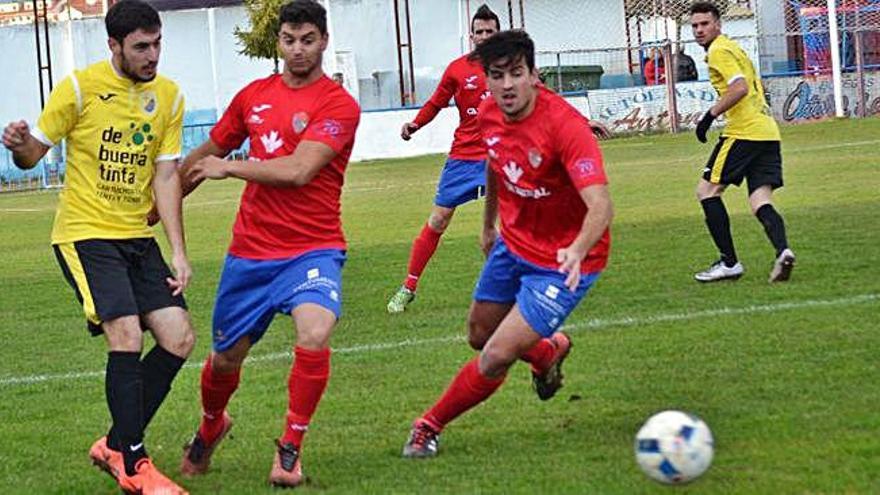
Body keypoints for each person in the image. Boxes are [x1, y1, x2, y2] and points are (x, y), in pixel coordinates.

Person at [1, 1, 193, 493]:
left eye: (157, 44)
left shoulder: (169, 97)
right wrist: (18, 142)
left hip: (137, 237)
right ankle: (133, 462)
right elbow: (32, 157)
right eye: (140, 47)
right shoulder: (79, 88)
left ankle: (115, 441)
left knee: (178, 338)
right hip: (85, 233)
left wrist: (178, 250)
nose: (152, 56)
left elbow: (166, 175)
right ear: (114, 45)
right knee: (126, 334)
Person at [401, 30, 613, 458]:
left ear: (534, 75)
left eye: (517, 73)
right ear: (488, 80)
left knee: (495, 354)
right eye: (498, 76)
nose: (508, 85)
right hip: (514, 244)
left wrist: (576, 248)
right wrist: (488, 224)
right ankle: (546, 352)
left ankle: (428, 426)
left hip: (565, 261)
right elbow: (495, 165)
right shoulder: (487, 113)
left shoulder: (565, 127)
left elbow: (601, 206)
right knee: (479, 334)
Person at [175, 1, 360, 488]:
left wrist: (231, 167)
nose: (298, 50)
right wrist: (164, 198)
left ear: (323, 40)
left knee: (315, 331)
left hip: (313, 249)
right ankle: (212, 423)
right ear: (277, 41)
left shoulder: (339, 104)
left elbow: (299, 170)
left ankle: (290, 447)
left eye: (308, 40)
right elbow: (205, 153)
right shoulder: (252, 96)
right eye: (289, 40)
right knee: (223, 361)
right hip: (251, 252)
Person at [386, 4, 500, 313]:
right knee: (438, 219)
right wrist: (415, 124)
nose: (485, 36)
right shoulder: (457, 69)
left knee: (523, 217)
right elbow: (436, 102)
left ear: (498, 33)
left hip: (501, 154)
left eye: (491, 31)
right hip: (464, 156)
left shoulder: (511, 65)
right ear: (472, 36)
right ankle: (408, 287)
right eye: (480, 32)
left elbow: (542, 97)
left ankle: (512, 286)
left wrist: (582, 123)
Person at [690, 2, 795, 283]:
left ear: (717, 24)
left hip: (744, 131)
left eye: (704, 24)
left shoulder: (718, 51)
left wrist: (709, 117)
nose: (699, 30)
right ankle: (783, 251)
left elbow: (740, 88)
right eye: (695, 26)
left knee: (707, 191)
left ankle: (729, 263)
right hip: (767, 131)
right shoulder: (733, 47)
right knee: (760, 199)